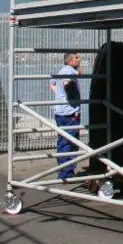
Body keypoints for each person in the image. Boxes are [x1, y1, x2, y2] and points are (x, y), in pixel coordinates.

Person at [49, 52, 82, 180]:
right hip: (70, 112)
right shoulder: (69, 71)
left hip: (60, 111)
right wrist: (69, 93)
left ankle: (62, 170)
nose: (79, 60)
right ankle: (66, 173)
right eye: (76, 58)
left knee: (62, 141)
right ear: (69, 61)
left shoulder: (61, 70)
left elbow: (52, 83)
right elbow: (66, 82)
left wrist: (60, 95)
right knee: (70, 142)